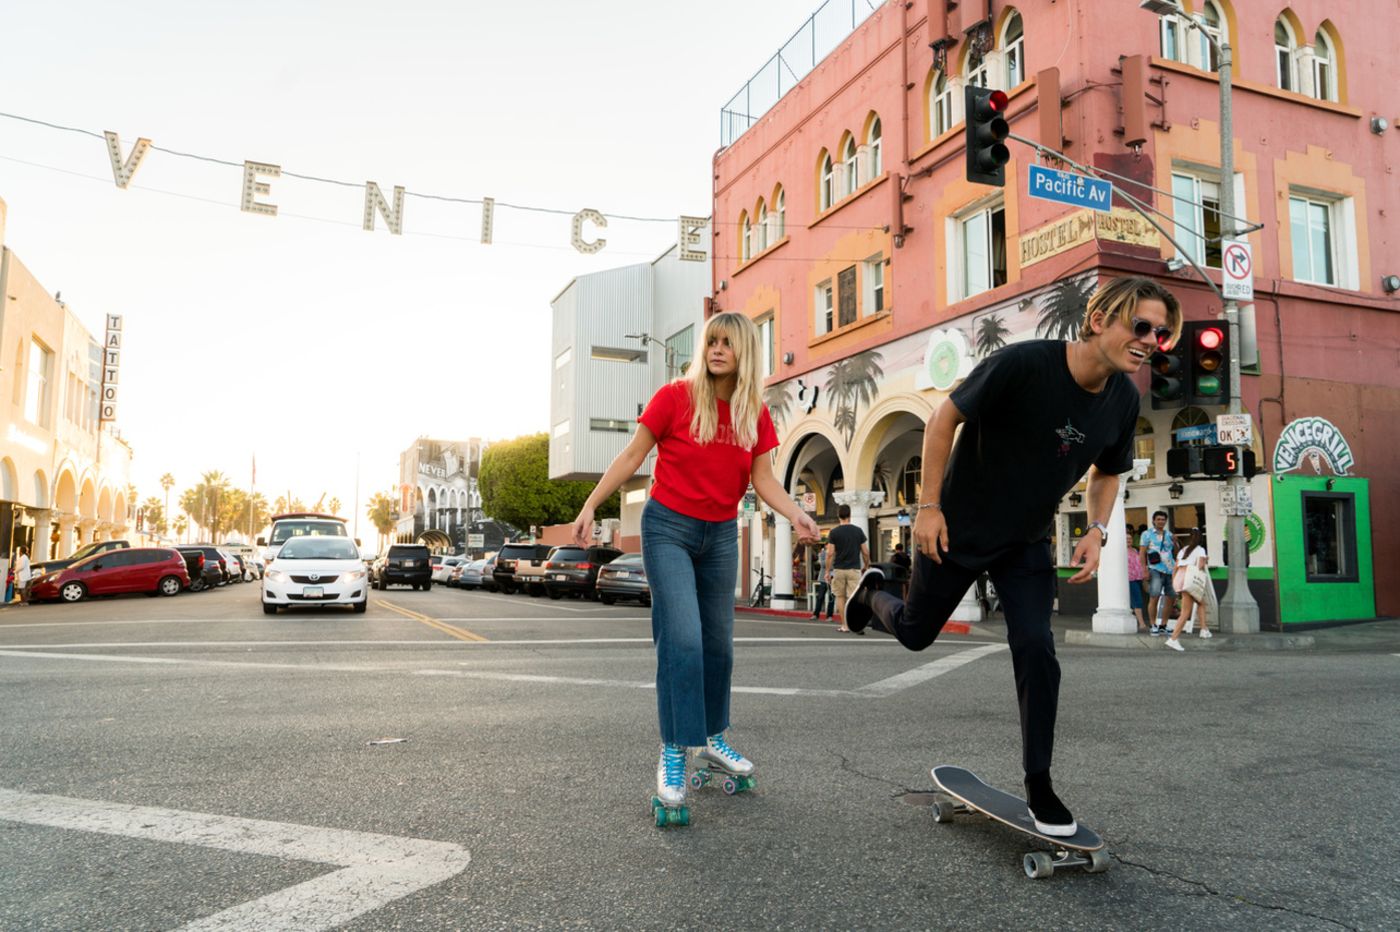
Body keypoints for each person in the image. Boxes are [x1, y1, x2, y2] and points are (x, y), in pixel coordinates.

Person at [841, 276, 1181, 837]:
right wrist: (928, 506)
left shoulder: (1123, 398)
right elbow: (942, 419)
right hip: (957, 529)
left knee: (1036, 648)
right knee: (915, 632)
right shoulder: (1023, 364)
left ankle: (1039, 782)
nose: (1150, 340)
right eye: (1139, 325)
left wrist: (1097, 527)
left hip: (1025, 540)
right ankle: (872, 592)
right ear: (1099, 319)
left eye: (1161, 333)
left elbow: (1109, 472)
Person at [569, 311, 820, 820]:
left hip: (721, 533)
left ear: (745, 352)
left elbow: (764, 479)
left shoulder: (753, 412)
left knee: (718, 647)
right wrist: (591, 504)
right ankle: (673, 750)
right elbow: (631, 455)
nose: (717, 350)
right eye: (712, 341)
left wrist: (796, 513)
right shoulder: (675, 398)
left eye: (728, 343)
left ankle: (711, 735)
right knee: (681, 639)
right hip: (669, 529)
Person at [1165, 528, 1214, 651]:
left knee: (1201, 602)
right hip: (1190, 578)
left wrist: (1174, 581)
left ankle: (1204, 629)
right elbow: (1200, 566)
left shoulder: (1183, 550)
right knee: (1186, 612)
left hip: (1181, 577)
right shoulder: (1200, 550)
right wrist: (1206, 560)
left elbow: (1176, 567)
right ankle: (1173, 639)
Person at [825, 504, 870, 633]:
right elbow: (865, 552)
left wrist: (828, 571)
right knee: (854, 598)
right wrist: (866, 566)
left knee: (840, 597)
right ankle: (857, 625)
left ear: (838, 516)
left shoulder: (834, 532)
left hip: (839, 569)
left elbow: (829, 554)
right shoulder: (858, 531)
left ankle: (845, 625)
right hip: (854, 569)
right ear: (850, 515)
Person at [1140, 511, 1176, 635]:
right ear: (1153, 520)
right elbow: (1142, 553)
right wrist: (1144, 569)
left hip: (1170, 569)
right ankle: (1153, 624)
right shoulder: (1147, 534)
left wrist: (1175, 541)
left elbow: (1174, 551)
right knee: (1154, 596)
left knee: (1171, 597)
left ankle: (1163, 625)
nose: (1161, 521)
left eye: (1163, 519)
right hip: (1155, 569)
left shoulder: (1169, 534)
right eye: (1158, 519)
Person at [1126, 524, 1149, 633]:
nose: (1129, 540)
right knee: (1137, 600)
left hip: (1139, 578)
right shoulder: (1121, 552)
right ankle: (1142, 623)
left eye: (1130, 538)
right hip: (1129, 579)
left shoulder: (1135, 550)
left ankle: (1137, 621)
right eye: (1126, 539)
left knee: (1138, 599)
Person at [811, 541, 835, 620]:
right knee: (820, 597)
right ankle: (816, 614)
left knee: (831, 598)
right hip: (823, 578)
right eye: (829, 545)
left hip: (832, 578)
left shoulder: (836, 553)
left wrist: (829, 563)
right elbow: (823, 564)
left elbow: (836, 565)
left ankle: (829, 616)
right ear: (825, 546)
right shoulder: (822, 553)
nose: (831, 546)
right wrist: (829, 558)